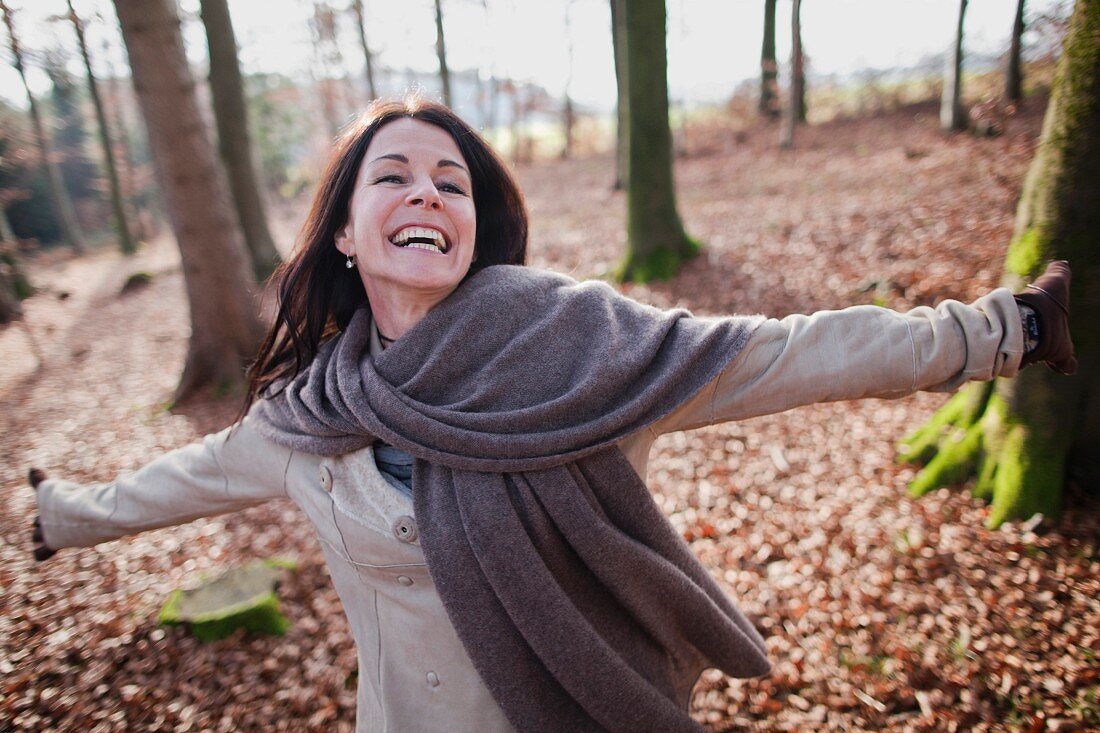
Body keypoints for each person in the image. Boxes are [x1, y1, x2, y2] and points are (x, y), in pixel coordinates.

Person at [29, 97, 1076, 733]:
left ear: (473, 226)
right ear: (345, 234)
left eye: (451, 182)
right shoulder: (311, 417)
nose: (426, 194)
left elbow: (787, 353)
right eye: (390, 177)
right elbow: (192, 473)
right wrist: (68, 514)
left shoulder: (578, 353)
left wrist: (996, 331)